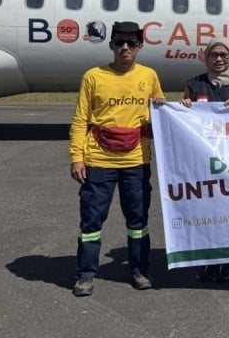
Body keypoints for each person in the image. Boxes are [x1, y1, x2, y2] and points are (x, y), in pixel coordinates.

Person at [69, 21, 165, 297]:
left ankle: (139, 269)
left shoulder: (149, 76)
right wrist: (77, 157)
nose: (125, 47)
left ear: (139, 47)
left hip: (136, 161)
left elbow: (160, 113)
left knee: (138, 220)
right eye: (120, 42)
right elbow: (80, 119)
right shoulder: (93, 76)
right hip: (99, 161)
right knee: (91, 220)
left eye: (131, 43)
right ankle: (86, 273)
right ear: (111, 45)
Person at [180, 37, 229, 282]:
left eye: (224, 55)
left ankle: (227, 259)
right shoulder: (194, 84)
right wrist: (184, 106)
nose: (219, 59)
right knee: (207, 210)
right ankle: (209, 259)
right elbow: (183, 116)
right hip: (204, 158)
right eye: (214, 55)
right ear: (206, 57)